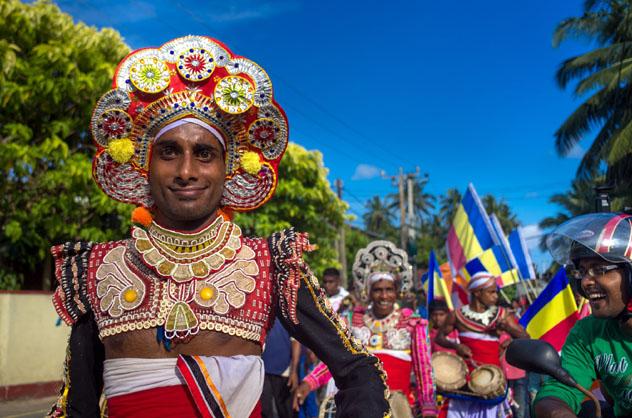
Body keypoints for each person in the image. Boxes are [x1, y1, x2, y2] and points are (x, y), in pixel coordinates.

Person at [47, 35, 389, 418]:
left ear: (228, 169)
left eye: (204, 154)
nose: (187, 171)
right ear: (145, 165)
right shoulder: (98, 268)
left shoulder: (270, 264)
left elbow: (358, 368)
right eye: (169, 152)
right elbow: (76, 405)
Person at [294, 241, 438, 418]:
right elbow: (336, 359)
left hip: (397, 409)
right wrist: (309, 383)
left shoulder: (412, 323)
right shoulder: (352, 319)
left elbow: (424, 370)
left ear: (397, 291)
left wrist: (428, 407)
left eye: (389, 290)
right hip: (358, 409)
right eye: (377, 290)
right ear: (368, 292)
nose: (384, 296)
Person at [534, 212, 632, 418]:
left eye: (600, 269)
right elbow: (558, 392)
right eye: (583, 271)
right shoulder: (587, 332)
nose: (586, 282)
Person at [436, 271, 528, 417]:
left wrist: (507, 328)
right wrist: (457, 346)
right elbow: (439, 338)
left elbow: (525, 337)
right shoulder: (457, 315)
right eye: (491, 292)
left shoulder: (502, 314)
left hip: (492, 381)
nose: (495, 297)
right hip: (465, 381)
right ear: (478, 293)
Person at [261, 319, 300, 418]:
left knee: (286, 411)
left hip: (284, 371)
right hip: (263, 370)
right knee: (265, 411)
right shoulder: (264, 311)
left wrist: (294, 371)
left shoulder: (287, 313)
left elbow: (296, 342)